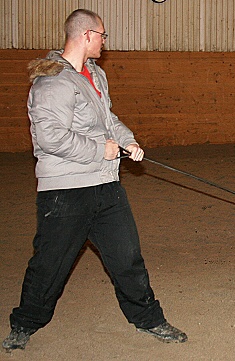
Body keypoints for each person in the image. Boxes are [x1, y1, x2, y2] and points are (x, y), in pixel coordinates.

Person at [2, 9, 187, 352]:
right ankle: (25, 323)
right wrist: (99, 150)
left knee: (127, 257)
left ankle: (149, 319)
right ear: (86, 35)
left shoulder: (95, 76)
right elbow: (49, 138)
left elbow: (108, 119)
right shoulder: (52, 82)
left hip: (105, 187)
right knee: (49, 265)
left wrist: (127, 140)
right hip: (65, 192)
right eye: (102, 35)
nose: (105, 41)